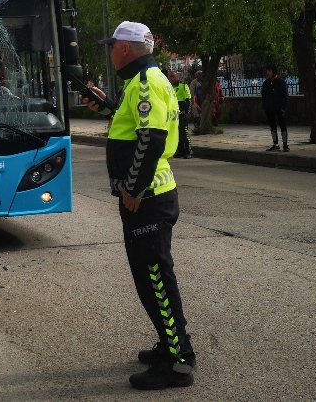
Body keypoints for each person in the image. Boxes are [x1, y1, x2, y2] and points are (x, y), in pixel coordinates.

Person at [83, 22, 195, 390]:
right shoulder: (143, 81)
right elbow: (134, 127)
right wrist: (108, 105)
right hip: (151, 197)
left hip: (147, 199)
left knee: (155, 280)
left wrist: (133, 188)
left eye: (112, 45)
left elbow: (151, 138)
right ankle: (170, 345)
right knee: (151, 278)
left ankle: (178, 363)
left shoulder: (146, 82)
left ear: (127, 49)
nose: (110, 51)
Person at [261, 65, 290, 152]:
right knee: (272, 126)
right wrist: (265, 106)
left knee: (283, 126)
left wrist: (283, 108)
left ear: (273, 71)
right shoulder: (266, 83)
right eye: (267, 71)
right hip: (269, 109)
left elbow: (285, 96)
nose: (268, 73)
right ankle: (275, 144)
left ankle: (285, 144)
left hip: (279, 108)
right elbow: (263, 95)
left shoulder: (280, 82)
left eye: (269, 71)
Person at [167, 71, 193, 159]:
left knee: (184, 132)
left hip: (182, 113)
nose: (171, 78)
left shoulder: (183, 86)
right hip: (174, 114)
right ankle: (180, 151)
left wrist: (187, 112)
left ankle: (188, 151)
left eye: (173, 76)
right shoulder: (169, 87)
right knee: (176, 133)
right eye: (170, 77)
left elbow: (188, 100)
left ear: (177, 77)